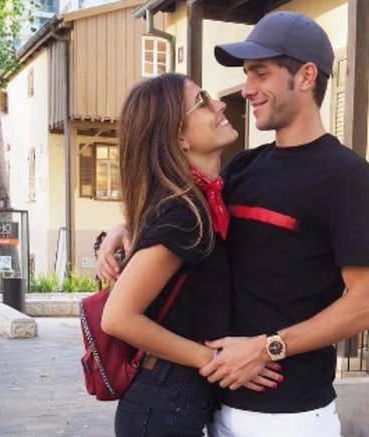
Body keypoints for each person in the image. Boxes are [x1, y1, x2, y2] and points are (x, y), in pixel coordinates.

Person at [98, 12, 369, 437]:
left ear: (306, 76)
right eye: (246, 74)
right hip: (215, 407)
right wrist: (123, 228)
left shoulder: (348, 177)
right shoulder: (243, 168)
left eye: (260, 73)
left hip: (289, 417)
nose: (247, 89)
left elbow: (367, 302)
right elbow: (182, 214)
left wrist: (269, 347)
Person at [100, 73, 282, 437]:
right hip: (165, 404)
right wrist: (216, 360)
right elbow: (117, 317)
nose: (220, 105)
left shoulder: (199, 202)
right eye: (202, 102)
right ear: (178, 137)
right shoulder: (184, 214)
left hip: (174, 400)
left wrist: (121, 229)